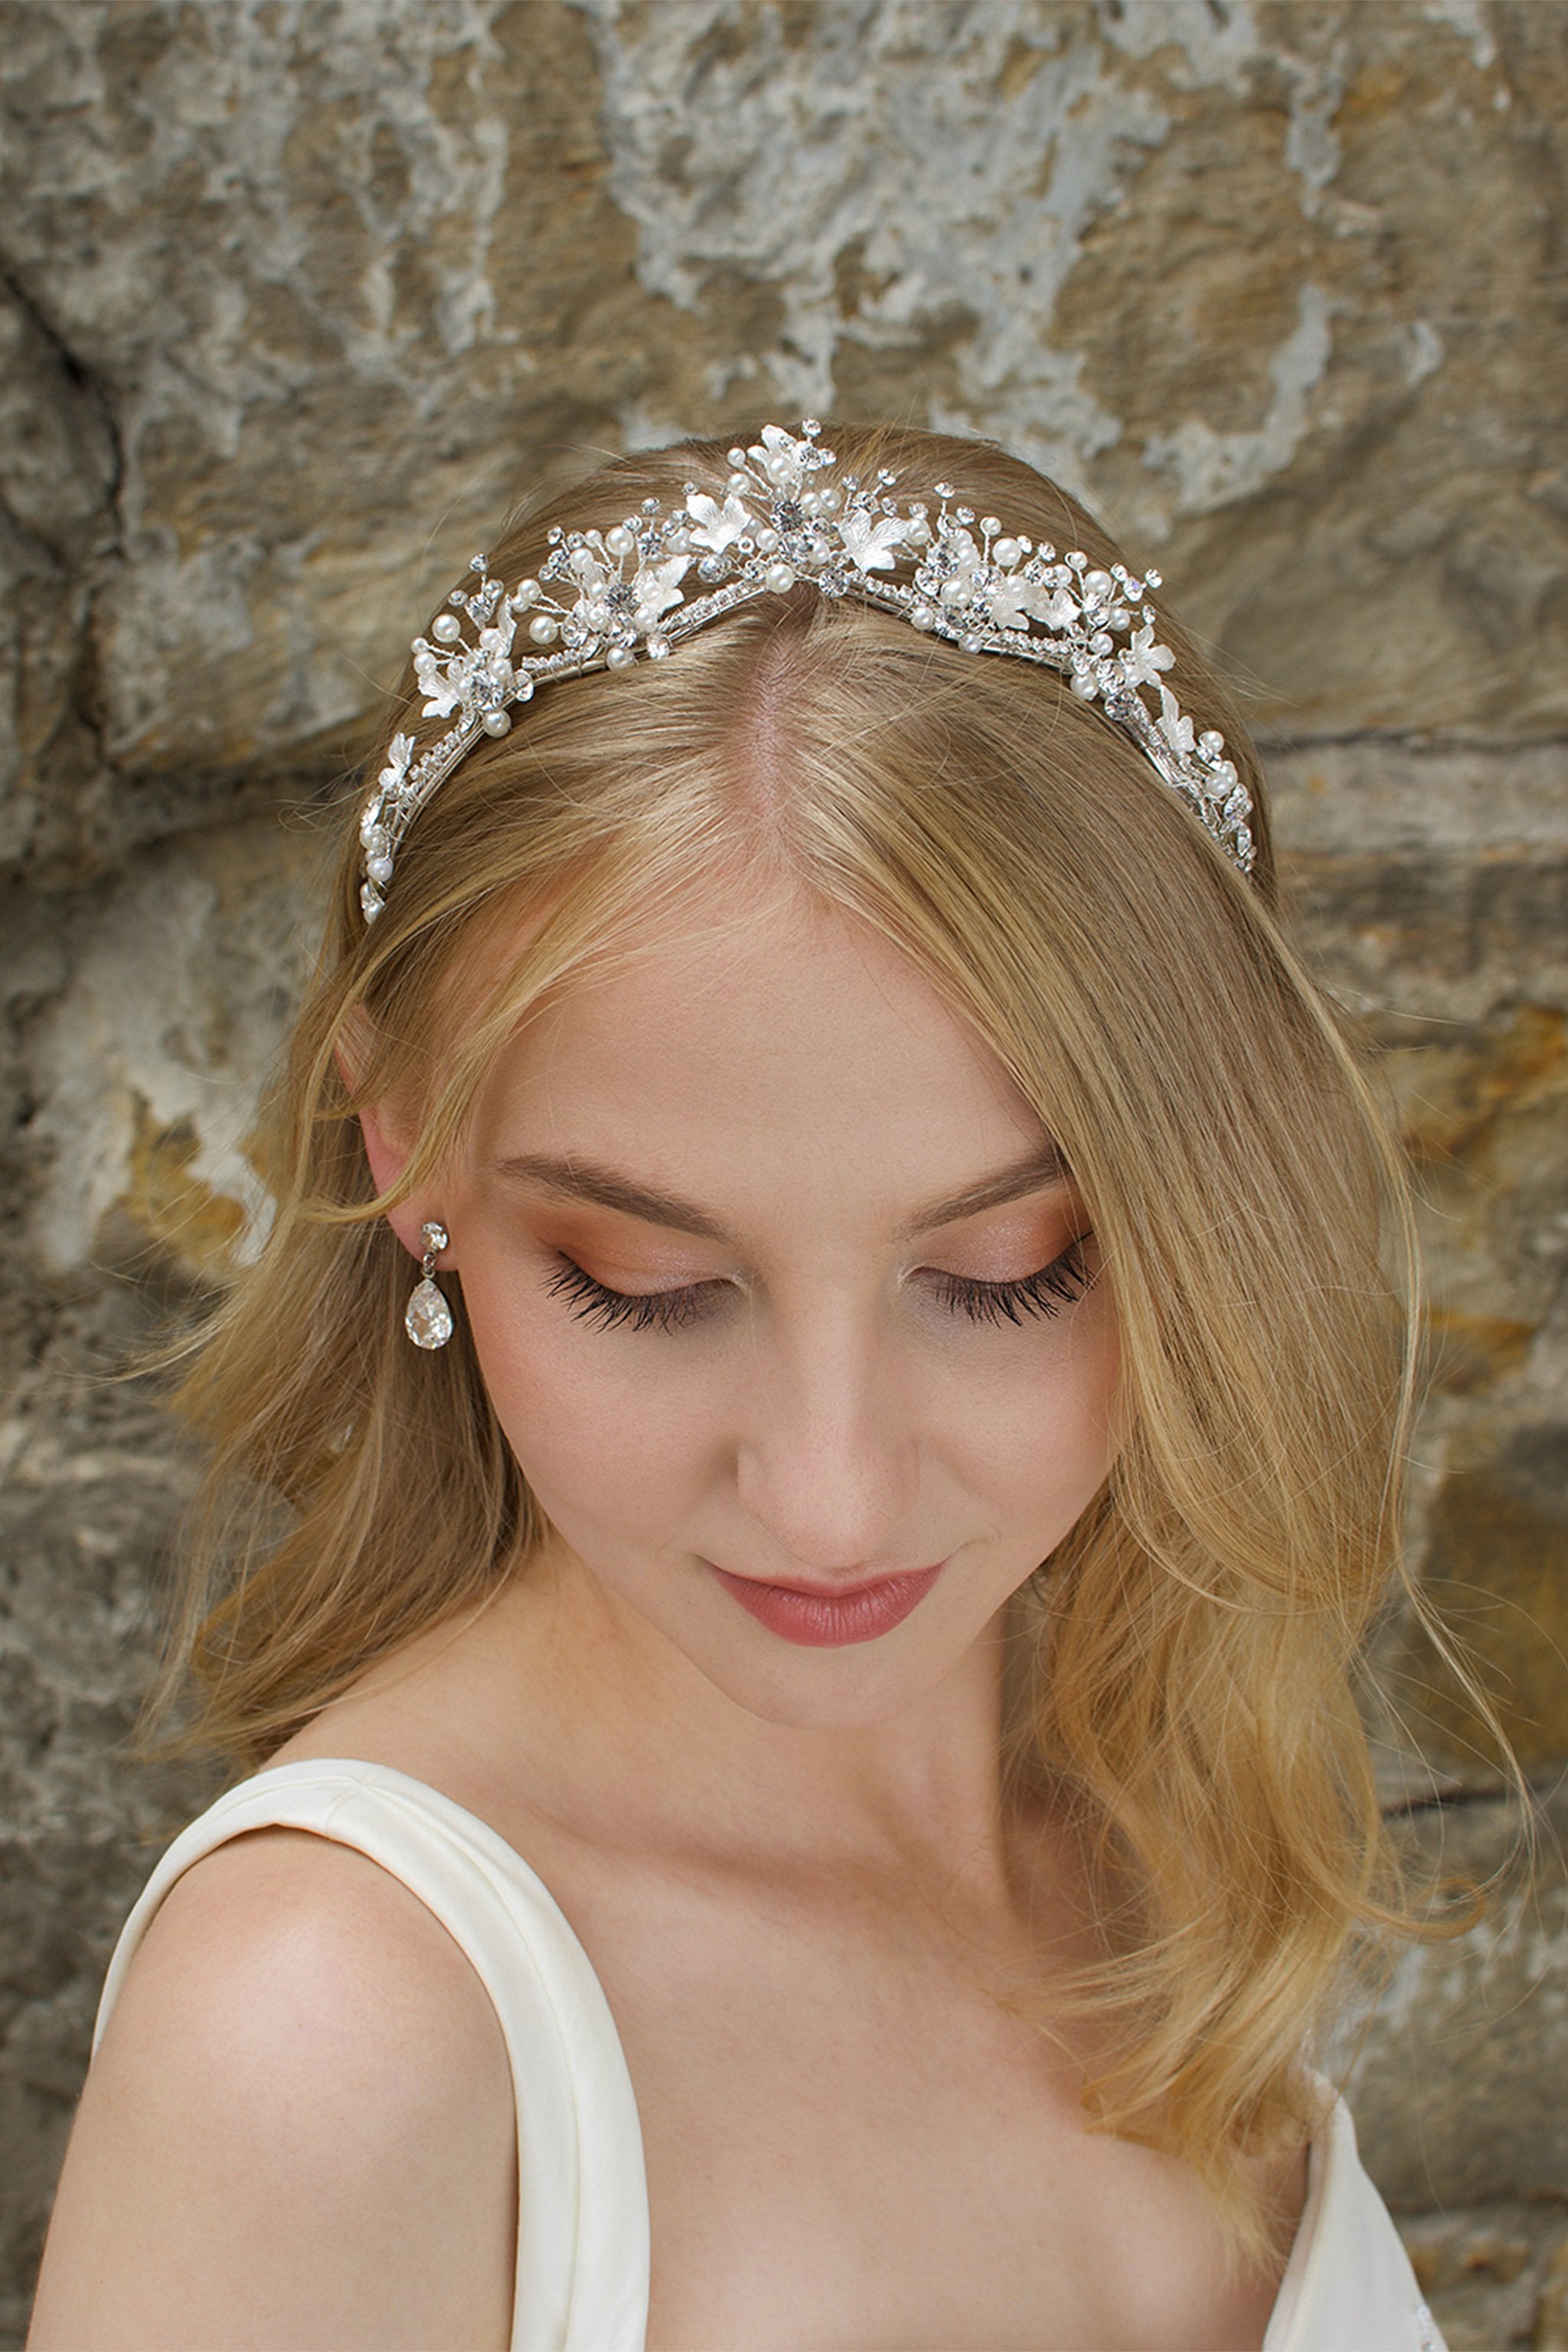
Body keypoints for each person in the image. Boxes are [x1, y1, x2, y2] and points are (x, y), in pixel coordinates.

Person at [28, 421, 1447, 2350]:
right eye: (646, 1284)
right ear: (401, 1148)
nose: (833, 1500)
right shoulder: (331, 2030)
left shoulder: (1150, 1799)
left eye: (1012, 1273)